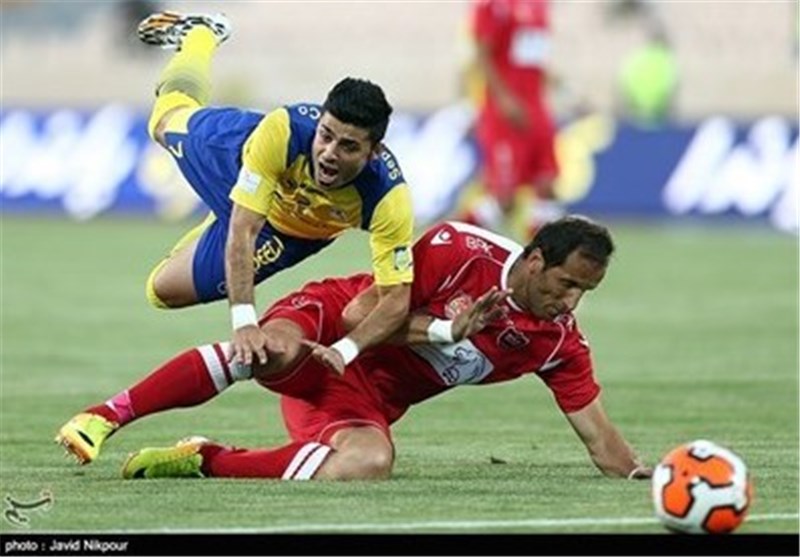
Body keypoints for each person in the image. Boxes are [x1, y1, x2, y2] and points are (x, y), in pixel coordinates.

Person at [56, 216, 652, 482]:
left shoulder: (557, 343)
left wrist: (643, 475)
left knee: (369, 463)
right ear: (535, 260)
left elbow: (601, 440)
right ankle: (106, 415)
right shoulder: (460, 250)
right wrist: (445, 331)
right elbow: (357, 316)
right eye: (567, 284)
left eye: (585, 292)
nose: (571, 302)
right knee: (269, 350)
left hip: (354, 397)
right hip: (322, 323)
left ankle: (206, 460)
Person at [136, 11, 414, 371]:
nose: (329, 153)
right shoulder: (282, 130)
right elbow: (244, 229)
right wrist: (245, 322)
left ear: (373, 152)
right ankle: (201, 34)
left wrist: (345, 350)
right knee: (163, 121)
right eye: (325, 136)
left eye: (348, 146)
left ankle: (224, 218)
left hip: (288, 232)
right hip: (235, 160)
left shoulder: (388, 199)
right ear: (318, 123)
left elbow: (396, 298)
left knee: (162, 292)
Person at [459, 0, 565, 240]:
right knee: (505, 199)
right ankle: (452, 242)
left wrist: (561, 86)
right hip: (504, 112)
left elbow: (533, 59)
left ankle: (540, 255)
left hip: (537, 107)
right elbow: (482, 54)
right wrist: (504, 99)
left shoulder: (541, 6)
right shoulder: (493, 6)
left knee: (547, 184)